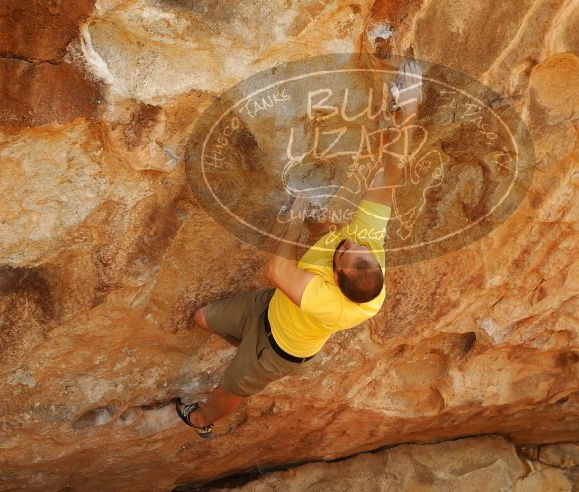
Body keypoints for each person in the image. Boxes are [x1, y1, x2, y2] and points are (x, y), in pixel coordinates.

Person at [175, 59, 424, 438]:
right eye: (358, 246)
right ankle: (243, 349)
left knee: (231, 389)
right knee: (202, 319)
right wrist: (408, 109)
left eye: (344, 253)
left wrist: (294, 216)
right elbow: (391, 173)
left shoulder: (333, 304)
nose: (350, 240)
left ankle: (200, 422)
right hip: (272, 307)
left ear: (335, 280)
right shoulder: (367, 246)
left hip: (277, 348)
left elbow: (276, 271)